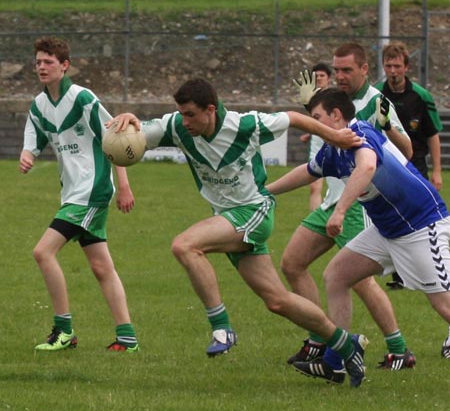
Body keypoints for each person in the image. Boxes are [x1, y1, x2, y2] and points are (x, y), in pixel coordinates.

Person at [109, 77, 368, 387]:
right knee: (278, 301)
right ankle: (344, 343)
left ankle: (222, 327)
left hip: (254, 212)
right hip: (228, 219)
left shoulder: (245, 124)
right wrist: (127, 122)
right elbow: (129, 137)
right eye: (181, 113)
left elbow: (296, 118)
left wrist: (336, 137)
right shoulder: (176, 126)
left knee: (185, 245)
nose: (184, 120)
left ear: (211, 109)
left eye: (191, 114)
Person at [267, 88, 450, 379]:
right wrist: (266, 192)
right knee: (337, 276)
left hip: (421, 225)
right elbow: (308, 171)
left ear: (336, 115)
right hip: (388, 231)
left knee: (443, 304)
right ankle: (336, 360)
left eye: (317, 118)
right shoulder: (333, 147)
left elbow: (366, 166)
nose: (314, 125)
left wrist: (339, 211)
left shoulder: (360, 132)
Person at [19, 36, 139, 353]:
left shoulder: (83, 98)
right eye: (38, 62)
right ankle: (127, 338)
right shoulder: (39, 105)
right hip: (73, 193)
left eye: (48, 62)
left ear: (64, 65)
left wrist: (123, 184)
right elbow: (32, 138)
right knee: (101, 267)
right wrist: (27, 154)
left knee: (42, 252)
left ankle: (64, 330)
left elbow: (114, 139)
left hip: (92, 191)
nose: (41, 67)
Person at [376, 41, 443, 290]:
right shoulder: (376, 94)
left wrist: (437, 171)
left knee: (420, 220)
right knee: (390, 216)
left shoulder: (421, 97)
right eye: (388, 66)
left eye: (397, 66)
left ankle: (430, 268)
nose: (392, 71)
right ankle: (399, 274)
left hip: (414, 166)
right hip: (387, 167)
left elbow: (432, 135)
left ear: (407, 67)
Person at [298, 62, 332, 211]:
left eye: (322, 75)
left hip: (333, 140)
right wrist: (310, 133)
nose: (319, 78)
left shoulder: (334, 97)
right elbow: (315, 121)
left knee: (337, 185)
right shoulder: (311, 97)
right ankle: (315, 221)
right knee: (314, 185)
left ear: (328, 78)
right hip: (317, 143)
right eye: (316, 76)